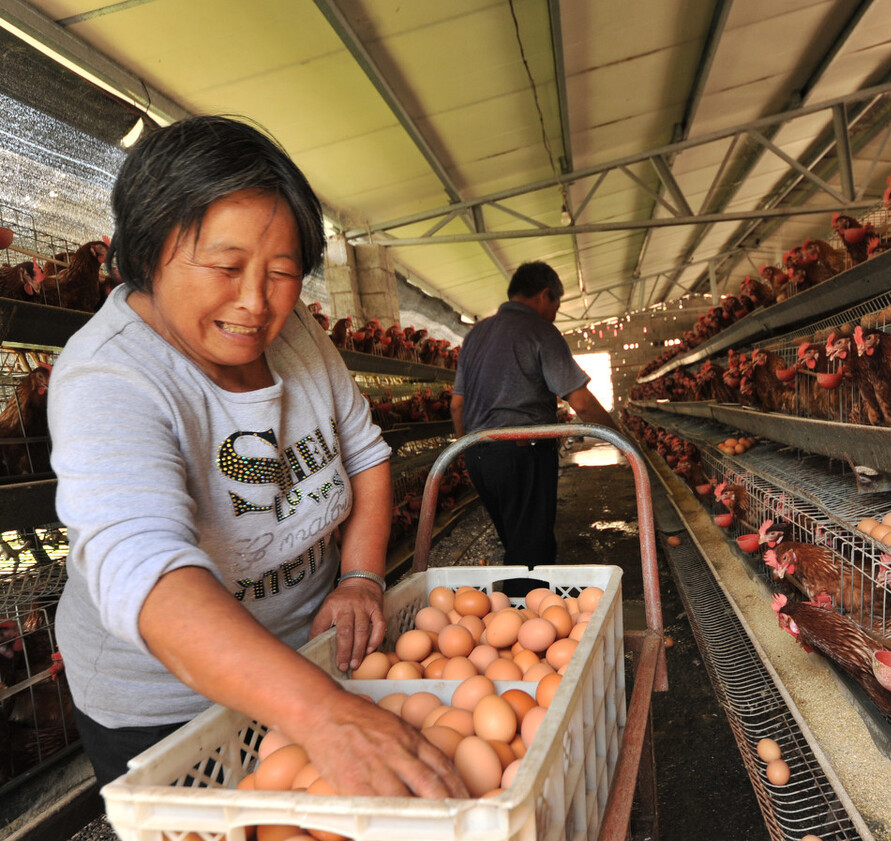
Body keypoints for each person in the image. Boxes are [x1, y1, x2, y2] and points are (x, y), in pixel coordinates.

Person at [48, 115, 466, 799]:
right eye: (225, 266)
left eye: (282, 273)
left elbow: (365, 455)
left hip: (308, 658)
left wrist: (361, 578)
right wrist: (325, 715)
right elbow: (144, 569)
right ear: (148, 251)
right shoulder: (110, 378)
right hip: (168, 703)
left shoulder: (296, 331)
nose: (255, 302)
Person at [450, 261, 618, 596]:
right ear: (544, 296)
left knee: (515, 543)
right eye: (556, 304)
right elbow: (581, 402)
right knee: (531, 555)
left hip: (480, 456)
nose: (555, 312)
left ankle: (516, 620)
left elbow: (457, 405)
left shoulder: (475, 335)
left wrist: (468, 451)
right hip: (522, 454)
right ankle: (523, 624)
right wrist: (620, 437)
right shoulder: (540, 331)